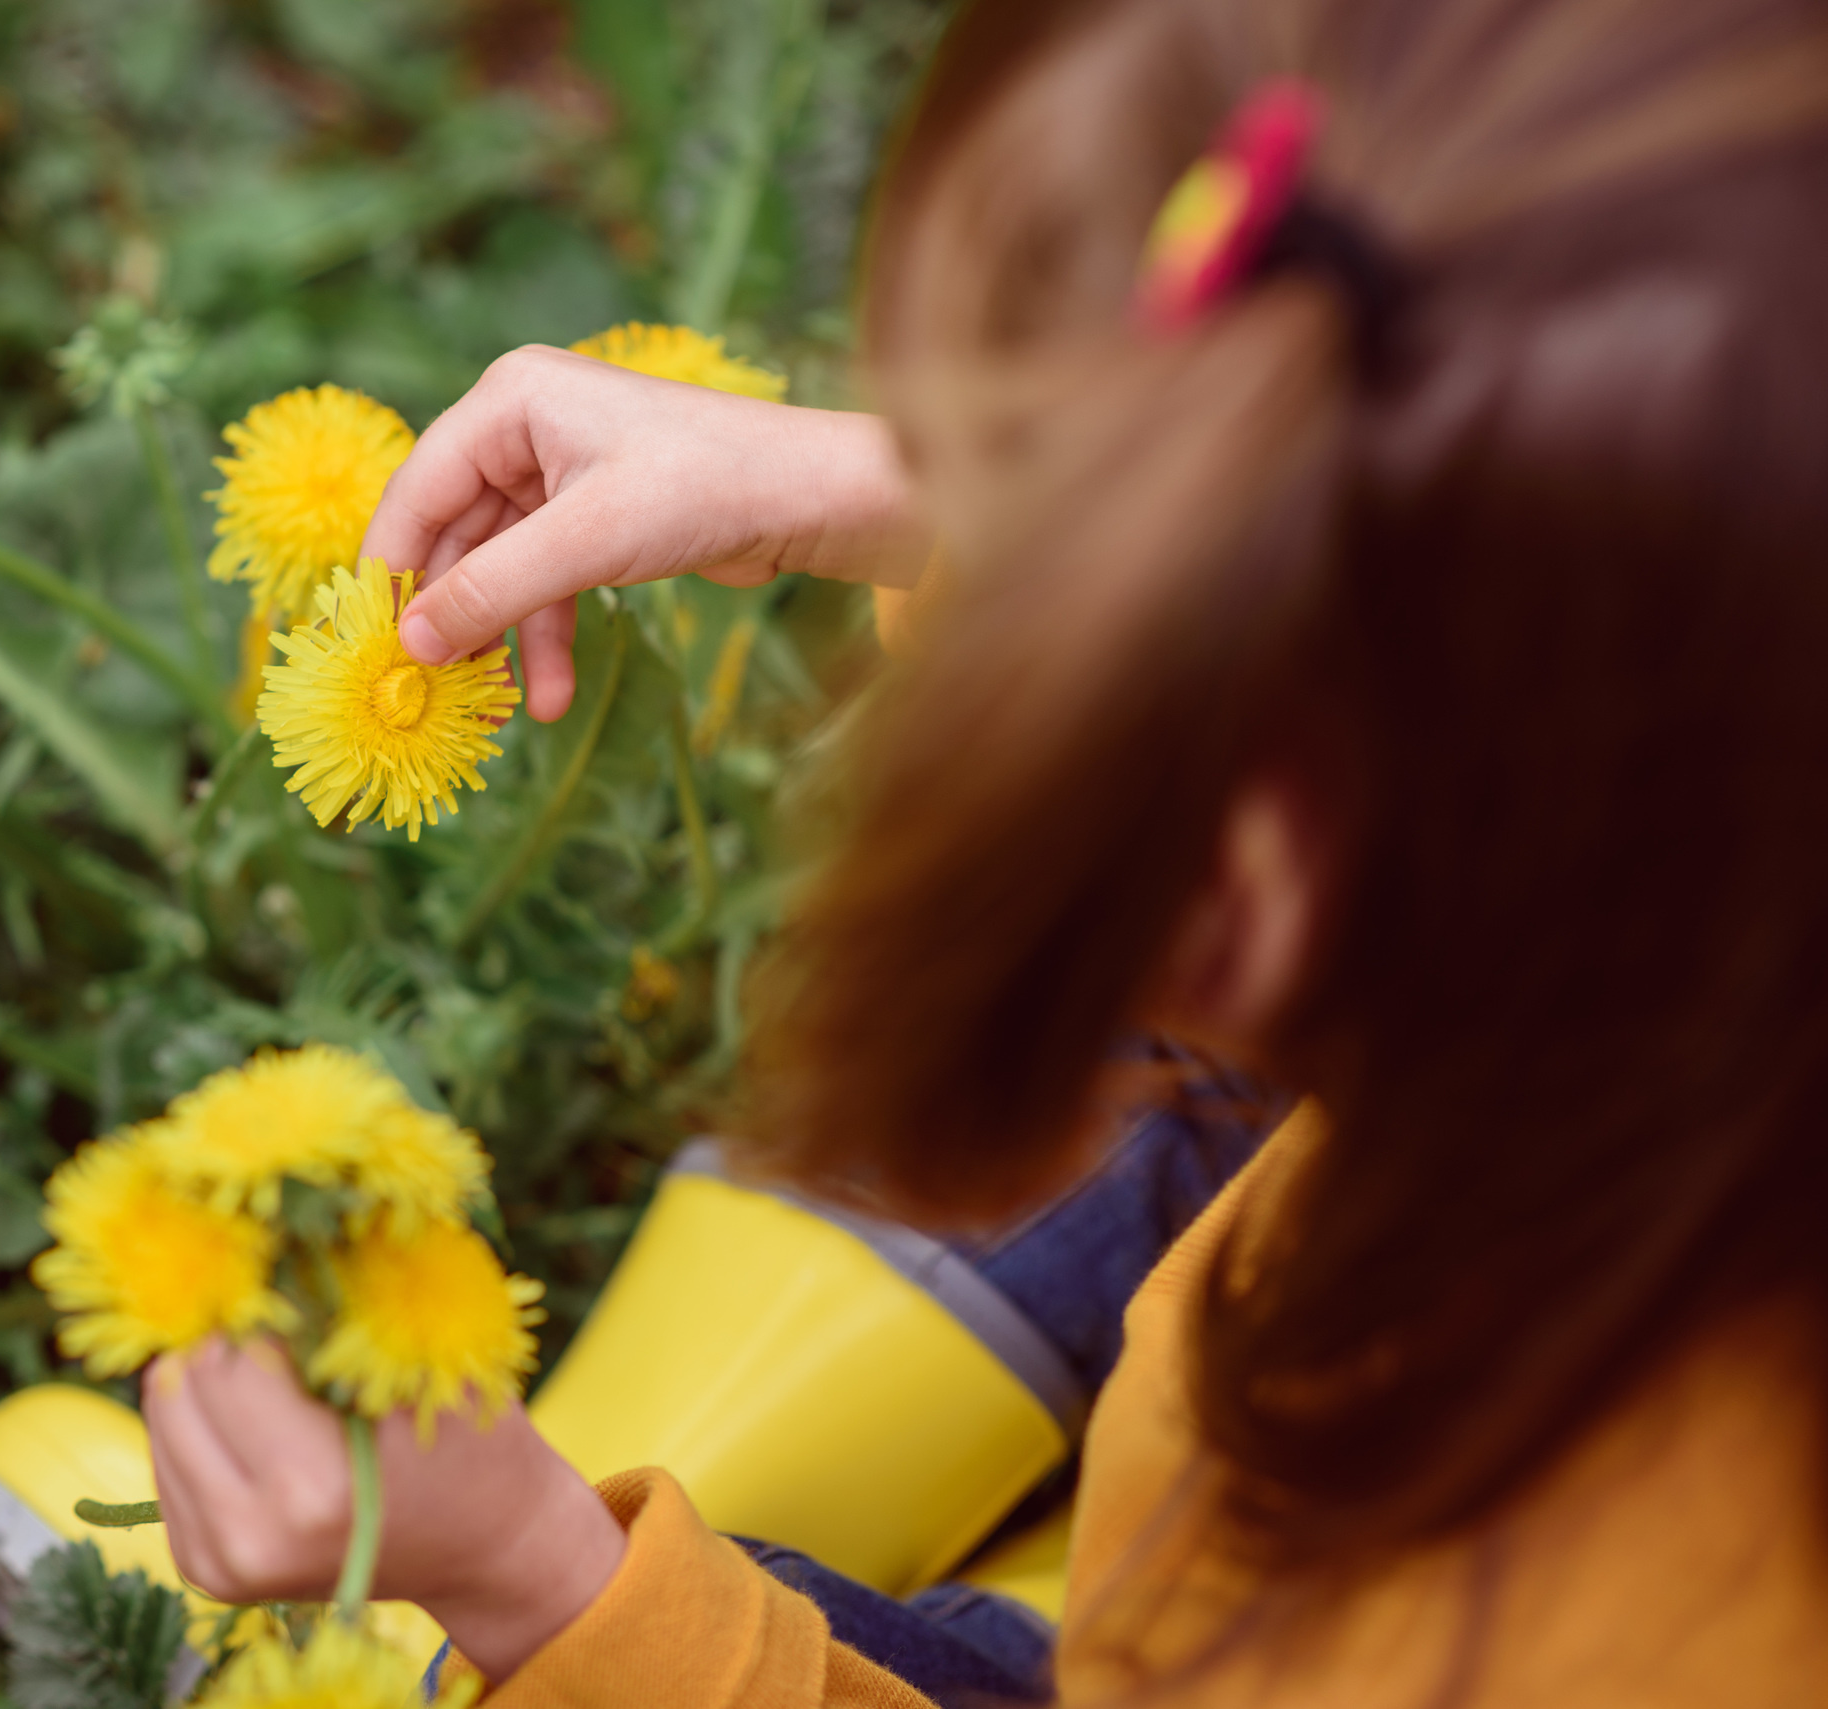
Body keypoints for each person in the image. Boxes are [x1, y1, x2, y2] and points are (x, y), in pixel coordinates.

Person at [140, 0, 1828, 1702]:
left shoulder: (1594, 1630)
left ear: (1246, 886)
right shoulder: (1667, 811)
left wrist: (531, 1584)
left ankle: (610, 1597)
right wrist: (863, 487)